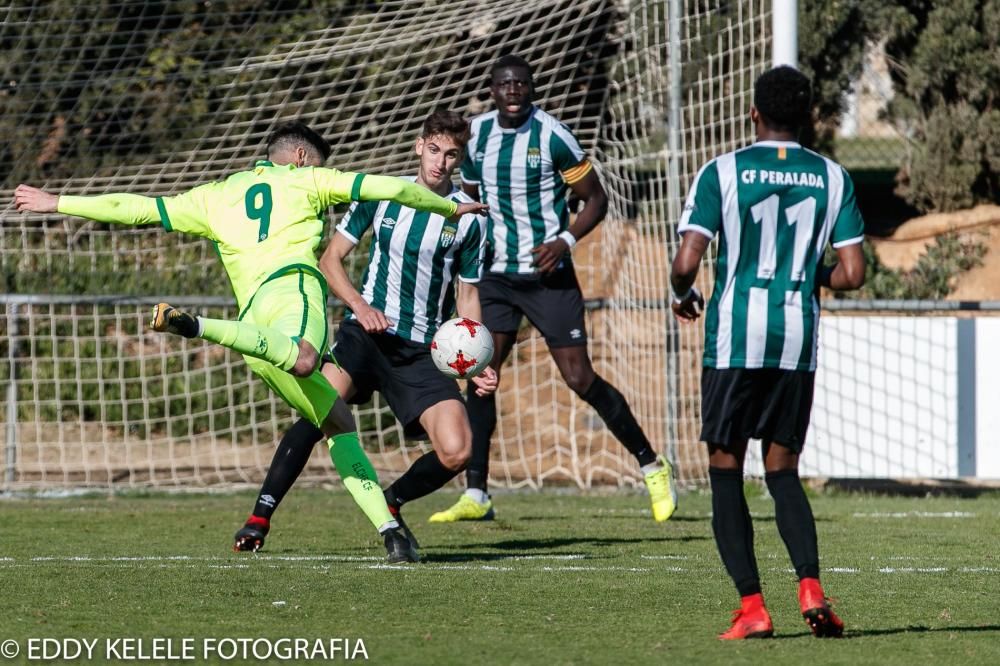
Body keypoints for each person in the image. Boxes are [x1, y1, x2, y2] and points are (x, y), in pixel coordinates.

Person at [14, 121, 487, 563]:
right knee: (305, 360)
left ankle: (389, 529)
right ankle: (199, 326)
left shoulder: (215, 196)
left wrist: (59, 202)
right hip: (297, 299)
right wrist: (449, 206)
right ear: (301, 157)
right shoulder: (307, 181)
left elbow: (135, 207)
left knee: (337, 420)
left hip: (253, 332)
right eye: (320, 163)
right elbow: (391, 186)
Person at [232, 111, 498, 553]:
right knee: (319, 412)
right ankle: (259, 518)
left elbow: (467, 297)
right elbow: (330, 259)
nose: (440, 162)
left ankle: (389, 504)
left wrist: (475, 364)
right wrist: (360, 305)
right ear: (419, 146)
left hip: (421, 350)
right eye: (434, 150)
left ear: (460, 158)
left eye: (451, 155)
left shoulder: (470, 218)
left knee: (458, 450)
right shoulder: (382, 195)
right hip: (364, 336)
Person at [429, 55, 677, 524]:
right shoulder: (476, 136)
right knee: (482, 378)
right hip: (495, 277)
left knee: (579, 378)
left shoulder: (554, 135)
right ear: (493, 89)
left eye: (521, 83)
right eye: (505, 84)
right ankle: (476, 493)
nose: (513, 91)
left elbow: (596, 200)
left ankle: (652, 465)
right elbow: (470, 200)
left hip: (548, 277)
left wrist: (564, 240)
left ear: (532, 88)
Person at [670, 65, 866, 639]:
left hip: (734, 337)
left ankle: (753, 608)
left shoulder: (722, 171)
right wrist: (809, 272)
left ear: (753, 113)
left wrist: (685, 293)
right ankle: (810, 588)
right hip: (795, 338)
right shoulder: (832, 177)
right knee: (782, 470)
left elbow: (686, 262)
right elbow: (852, 274)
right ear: (808, 118)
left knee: (725, 469)